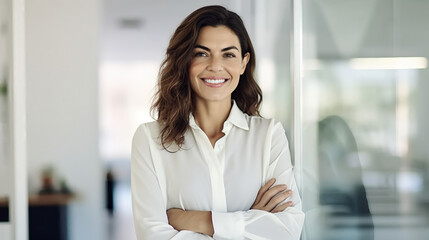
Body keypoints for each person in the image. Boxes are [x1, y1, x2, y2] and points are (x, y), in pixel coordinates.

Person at [131, 5, 304, 239]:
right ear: (184, 61)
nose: (215, 66)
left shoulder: (268, 135)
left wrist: (193, 220)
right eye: (201, 53)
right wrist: (252, 219)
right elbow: (152, 235)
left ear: (244, 63)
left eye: (228, 54)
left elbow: (288, 229)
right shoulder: (150, 140)